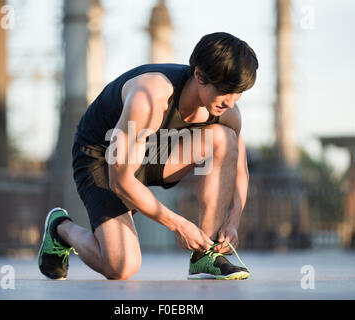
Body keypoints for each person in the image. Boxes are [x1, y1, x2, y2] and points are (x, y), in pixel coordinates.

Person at [38, 32, 258, 280]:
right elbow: (120, 181)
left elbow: (239, 166)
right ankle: (61, 229)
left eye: (238, 92)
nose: (230, 101)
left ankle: (205, 255)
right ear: (199, 75)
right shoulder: (149, 97)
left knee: (225, 139)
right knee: (121, 267)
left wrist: (233, 222)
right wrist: (179, 225)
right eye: (224, 90)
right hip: (103, 157)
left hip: (157, 152)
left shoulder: (227, 112)